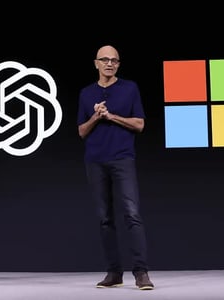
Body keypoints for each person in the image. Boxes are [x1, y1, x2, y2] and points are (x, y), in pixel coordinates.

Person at [77, 45, 154, 290]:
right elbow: (81, 131)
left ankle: (141, 272)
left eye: (114, 60)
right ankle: (114, 273)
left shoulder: (129, 88)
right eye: (105, 60)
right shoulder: (86, 94)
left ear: (118, 64)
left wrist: (112, 117)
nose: (109, 64)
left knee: (132, 214)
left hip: (122, 159)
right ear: (96, 63)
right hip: (95, 160)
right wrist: (95, 117)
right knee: (104, 219)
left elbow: (140, 124)